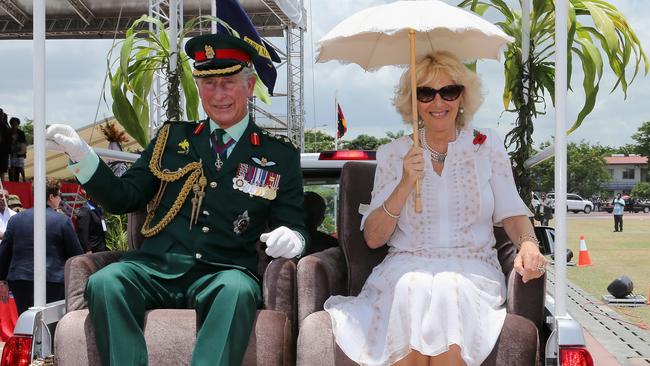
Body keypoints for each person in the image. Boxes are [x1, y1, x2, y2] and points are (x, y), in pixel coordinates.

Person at [45, 33, 309, 366]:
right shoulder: (172, 138)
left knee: (239, 291)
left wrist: (294, 239)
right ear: (198, 87)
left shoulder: (277, 155)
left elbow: (296, 225)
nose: (218, 95)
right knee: (105, 282)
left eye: (228, 83)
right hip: (157, 267)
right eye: (208, 84)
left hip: (223, 270)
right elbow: (123, 198)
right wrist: (84, 159)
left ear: (250, 84)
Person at [323, 52, 547, 366]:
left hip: (472, 267)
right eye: (426, 93)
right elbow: (373, 239)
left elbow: (513, 213)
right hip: (406, 266)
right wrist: (404, 184)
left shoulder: (488, 146)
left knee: (447, 287)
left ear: (462, 96)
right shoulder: (394, 153)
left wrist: (528, 243)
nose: (438, 102)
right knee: (413, 287)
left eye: (449, 91)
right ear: (412, 101)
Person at [0, 179, 84, 314]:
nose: (60, 199)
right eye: (59, 195)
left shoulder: (15, 220)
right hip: (53, 280)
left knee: (29, 323)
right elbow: (76, 255)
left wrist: (2, 281)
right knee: (50, 325)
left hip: (21, 281)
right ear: (51, 197)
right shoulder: (62, 221)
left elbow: (4, 252)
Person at [8, 117, 27, 182]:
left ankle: (24, 179)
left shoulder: (21, 133)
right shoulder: (8, 132)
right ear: (11, 124)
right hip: (11, 152)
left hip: (19, 152)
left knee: (20, 166)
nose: (14, 125)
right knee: (12, 167)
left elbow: (24, 143)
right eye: (13, 124)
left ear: (18, 124)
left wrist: (24, 152)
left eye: (16, 124)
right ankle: (13, 181)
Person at [0, 110, 10, 181]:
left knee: (2, 169)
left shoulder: (5, 125)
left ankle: (2, 183)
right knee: (2, 169)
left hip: (4, 150)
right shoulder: (5, 125)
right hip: (3, 150)